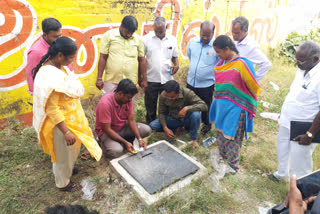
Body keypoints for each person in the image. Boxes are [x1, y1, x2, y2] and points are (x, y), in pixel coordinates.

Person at [32, 37, 102, 192]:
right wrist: (65, 131)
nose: (71, 62)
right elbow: (52, 109)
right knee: (62, 156)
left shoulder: (58, 67)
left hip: (69, 120)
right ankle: (63, 183)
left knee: (69, 151)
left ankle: (68, 168)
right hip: (60, 126)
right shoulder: (48, 76)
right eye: (70, 58)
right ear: (60, 56)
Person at [268, 41, 320, 181]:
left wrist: (310, 134)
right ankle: (282, 175)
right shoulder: (302, 70)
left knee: (300, 162)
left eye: (300, 60)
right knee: (282, 149)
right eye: (296, 59)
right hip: (287, 120)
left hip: (304, 127)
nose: (297, 63)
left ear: (315, 59)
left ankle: (302, 192)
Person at [209, 35, 260, 171]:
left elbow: (253, 87)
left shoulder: (243, 64)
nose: (217, 55)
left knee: (232, 136)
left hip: (236, 108)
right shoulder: (221, 64)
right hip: (221, 105)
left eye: (219, 52)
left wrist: (239, 95)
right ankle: (223, 156)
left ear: (227, 49)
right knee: (220, 132)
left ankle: (232, 165)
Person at [95, 79, 152, 158]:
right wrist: (125, 142)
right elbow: (107, 129)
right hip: (107, 132)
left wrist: (139, 139)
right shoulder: (105, 103)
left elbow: (131, 120)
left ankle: (124, 142)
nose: (130, 100)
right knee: (116, 152)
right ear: (120, 94)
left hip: (122, 127)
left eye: (131, 98)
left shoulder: (128, 99)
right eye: (128, 98)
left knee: (147, 130)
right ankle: (102, 144)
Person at [96, 15, 147, 94]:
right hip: (112, 80)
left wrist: (143, 78)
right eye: (127, 32)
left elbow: (141, 60)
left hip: (130, 81)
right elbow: (103, 57)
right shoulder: (109, 35)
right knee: (110, 103)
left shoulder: (138, 39)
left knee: (128, 104)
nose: (129, 35)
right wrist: (99, 78)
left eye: (131, 33)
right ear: (121, 26)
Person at [149, 80, 208, 148]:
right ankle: (175, 129)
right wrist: (165, 128)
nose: (170, 99)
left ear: (178, 92)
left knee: (196, 115)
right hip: (173, 119)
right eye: (168, 97)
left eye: (172, 97)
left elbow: (204, 106)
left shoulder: (187, 93)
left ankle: (193, 139)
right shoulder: (163, 95)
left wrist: (187, 108)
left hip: (187, 119)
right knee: (152, 126)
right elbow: (161, 113)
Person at [142, 17, 179, 124]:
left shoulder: (172, 39)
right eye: (156, 31)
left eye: (161, 31)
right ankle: (151, 125)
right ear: (153, 28)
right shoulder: (146, 39)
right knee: (150, 104)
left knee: (167, 103)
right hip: (151, 78)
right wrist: (142, 79)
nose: (158, 33)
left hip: (167, 78)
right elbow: (141, 59)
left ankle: (165, 124)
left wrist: (176, 65)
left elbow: (174, 56)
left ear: (166, 27)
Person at [187, 21, 219, 135]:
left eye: (208, 35)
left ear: (213, 33)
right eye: (203, 34)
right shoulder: (192, 42)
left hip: (206, 85)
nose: (205, 37)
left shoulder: (216, 47)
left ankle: (206, 126)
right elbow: (190, 56)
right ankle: (189, 124)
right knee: (190, 105)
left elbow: (219, 64)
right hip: (191, 82)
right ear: (200, 31)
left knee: (206, 107)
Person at [26, 18, 73, 95]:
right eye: (55, 36)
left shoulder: (60, 43)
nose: (59, 39)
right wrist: (37, 96)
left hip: (64, 89)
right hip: (46, 93)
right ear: (45, 35)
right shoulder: (35, 52)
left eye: (60, 35)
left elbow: (68, 66)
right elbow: (31, 75)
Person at [231, 16, 272, 82]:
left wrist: (252, 81)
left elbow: (266, 64)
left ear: (245, 31)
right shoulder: (237, 41)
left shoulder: (251, 46)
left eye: (236, 33)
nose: (233, 35)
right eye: (232, 32)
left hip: (242, 84)